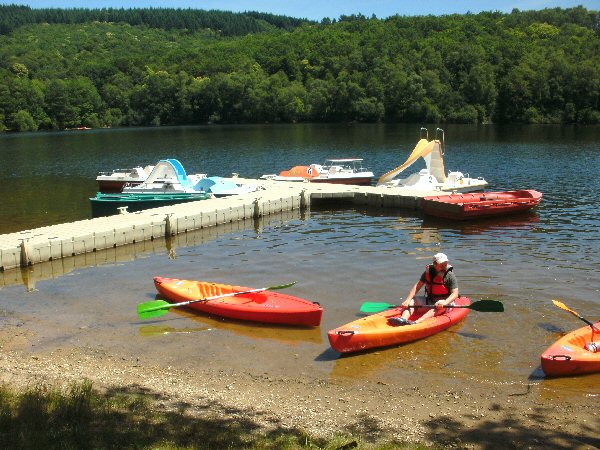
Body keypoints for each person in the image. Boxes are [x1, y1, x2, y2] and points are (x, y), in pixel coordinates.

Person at [389, 252, 459, 326]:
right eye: (441, 265)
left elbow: (455, 293)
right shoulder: (428, 272)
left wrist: (445, 302)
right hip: (430, 301)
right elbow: (417, 286)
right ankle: (403, 319)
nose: (444, 266)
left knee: (439, 303)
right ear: (435, 264)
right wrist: (408, 300)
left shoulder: (449, 275)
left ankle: (417, 322)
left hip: (445, 304)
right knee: (413, 300)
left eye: (445, 264)